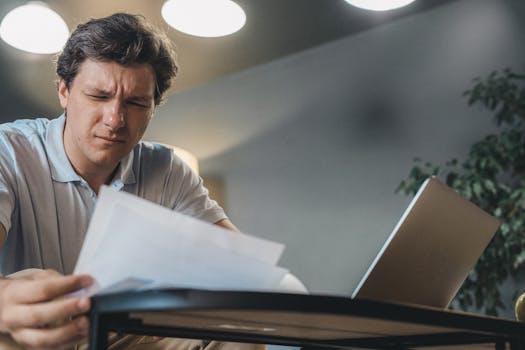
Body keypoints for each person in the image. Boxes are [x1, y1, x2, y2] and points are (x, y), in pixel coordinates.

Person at [0, 13, 257, 350]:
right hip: (34, 330)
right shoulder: (8, 149)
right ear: (64, 91)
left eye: (135, 103)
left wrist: (183, 296)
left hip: (127, 330)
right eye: (98, 96)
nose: (115, 120)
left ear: (153, 107)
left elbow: (244, 271)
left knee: (237, 331)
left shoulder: (168, 169)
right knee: (28, 288)